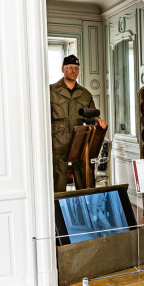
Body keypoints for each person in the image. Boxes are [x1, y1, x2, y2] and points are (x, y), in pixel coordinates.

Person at [51, 55, 107, 192]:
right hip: (58, 140)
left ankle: (86, 208)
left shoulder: (85, 94)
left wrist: (97, 120)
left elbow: (91, 116)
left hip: (79, 140)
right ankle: (58, 211)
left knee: (85, 179)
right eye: (69, 67)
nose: (73, 70)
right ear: (63, 69)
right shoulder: (51, 91)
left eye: (76, 68)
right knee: (58, 181)